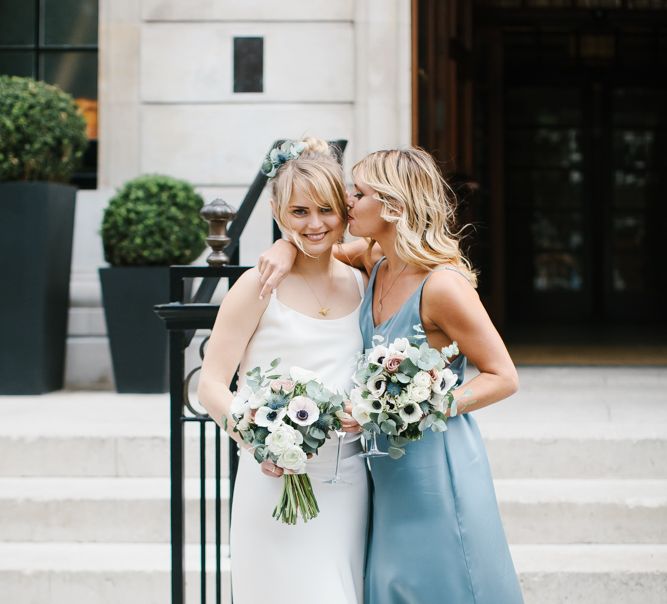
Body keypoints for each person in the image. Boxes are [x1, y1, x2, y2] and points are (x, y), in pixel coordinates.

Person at [258, 147, 524, 603]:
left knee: (444, 581)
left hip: (436, 465)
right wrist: (283, 246)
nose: (346, 203)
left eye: (357, 194)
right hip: (384, 468)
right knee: (393, 585)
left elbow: (503, 375)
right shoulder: (373, 263)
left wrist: (417, 406)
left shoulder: (442, 286)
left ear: (393, 206)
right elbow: (315, 241)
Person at [198, 138, 369, 604]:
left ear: (345, 212)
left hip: (348, 484)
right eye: (298, 212)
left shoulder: (363, 280)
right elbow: (209, 383)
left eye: (326, 210)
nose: (314, 224)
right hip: (272, 479)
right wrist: (258, 439)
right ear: (277, 211)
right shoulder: (257, 285)